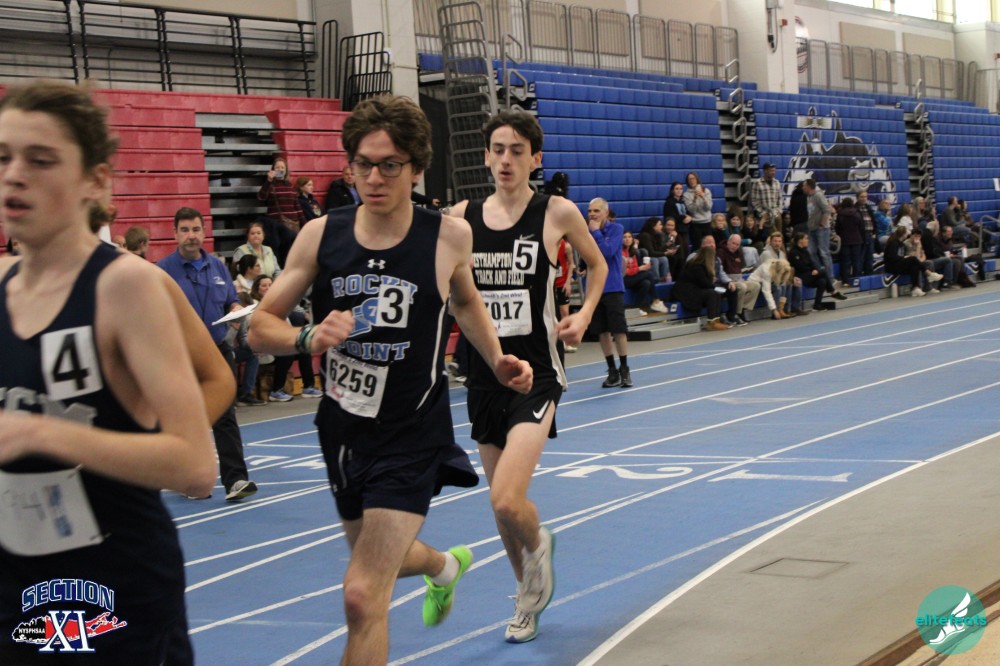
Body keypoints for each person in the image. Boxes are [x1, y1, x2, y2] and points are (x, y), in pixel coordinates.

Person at [248, 96, 533, 664]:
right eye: (362, 164)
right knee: (385, 560)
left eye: (389, 165)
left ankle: (433, 568)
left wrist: (497, 358)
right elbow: (259, 328)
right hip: (342, 430)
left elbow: (466, 301)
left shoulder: (448, 236)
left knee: (361, 595)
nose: (373, 178)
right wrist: (307, 338)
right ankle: (442, 565)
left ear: (416, 168)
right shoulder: (321, 235)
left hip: (411, 432)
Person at [0, 80, 215, 664]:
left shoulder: (125, 286)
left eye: (40, 160)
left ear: (94, 181)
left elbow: (195, 466)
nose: (14, 175)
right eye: (4, 157)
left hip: (111, 588)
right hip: (15, 581)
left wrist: (42, 432)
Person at [450, 110, 606, 643]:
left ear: (535, 159)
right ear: (485, 156)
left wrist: (582, 315)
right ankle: (525, 594)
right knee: (501, 509)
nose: (506, 160)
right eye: (498, 149)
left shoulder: (555, 212)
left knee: (506, 498)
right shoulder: (462, 218)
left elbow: (597, 265)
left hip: (537, 372)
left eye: (517, 151)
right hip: (484, 372)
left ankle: (540, 545)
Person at [158, 207, 258, 501]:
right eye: (185, 230)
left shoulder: (217, 267)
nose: (191, 236)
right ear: (175, 233)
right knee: (186, 418)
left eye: (196, 229)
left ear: (204, 232)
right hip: (181, 355)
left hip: (217, 351)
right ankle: (189, 479)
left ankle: (236, 480)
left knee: (225, 414)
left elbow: (229, 301)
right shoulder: (162, 271)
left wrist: (236, 310)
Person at [586, 198, 631, 388]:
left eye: (596, 211)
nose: (592, 214)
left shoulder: (616, 229)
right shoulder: (585, 231)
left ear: (605, 212)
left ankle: (624, 368)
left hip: (612, 286)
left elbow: (608, 251)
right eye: (590, 211)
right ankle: (612, 370)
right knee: (602, 331)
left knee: (618, 330)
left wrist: (596, 232)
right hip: (595, 289)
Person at [672, 244, 729, 331]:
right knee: (712, 293)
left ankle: (716, 320)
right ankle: (711, 322)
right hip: (686, 293)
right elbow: (705, 284)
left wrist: (720, 289)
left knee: (716, 293)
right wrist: (722, 289)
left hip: (694, 290)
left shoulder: (701, 266)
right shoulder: (696, 267)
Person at [787, 232, 847, 311]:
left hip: (809, 274)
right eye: (806, 239)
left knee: (822, 281)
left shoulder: (805, 250)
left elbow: (812, 263)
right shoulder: (793, 252)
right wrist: (812, 270)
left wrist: (815, 269)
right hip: (800, 276)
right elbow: (800, 267)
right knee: (823, 272)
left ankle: (817, 304)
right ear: (800, 240)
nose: (808, 240)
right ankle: (833, 291)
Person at [759, 231, 807, 317]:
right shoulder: (766, 253)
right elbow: (769, 272)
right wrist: (783, 279)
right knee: (781, 286)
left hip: (778, 278)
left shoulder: (781, 253)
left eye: (779, 241)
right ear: (771, 242)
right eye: (775, 241)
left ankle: (790, 309)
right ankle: (777, 311)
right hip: (766, 280)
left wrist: (791, 278)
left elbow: (786, 269)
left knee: (794, 281)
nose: (777, 243)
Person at [621, 230, 667, 314]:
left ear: (632, 239)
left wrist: (643, 267)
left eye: (629, 237)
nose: (627, 239)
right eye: (624, 237)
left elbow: (634, 268)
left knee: (646, 283)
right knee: (649, 274)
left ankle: (636, 308)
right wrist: (639, 269)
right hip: (623, 279)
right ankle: (656, 301)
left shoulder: (633, 251)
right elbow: (624, 271)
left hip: (632, 278)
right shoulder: (620, 252)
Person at [802, 178, 835, 284]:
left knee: (824, 253)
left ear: (808, 186)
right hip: (812, 228)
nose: (803, 188)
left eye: (804, 186)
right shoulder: (809, 197)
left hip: (821, 229)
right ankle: (821, 274)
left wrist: (822, 223)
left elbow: (827, 210)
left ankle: (830, 278)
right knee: (811, 252)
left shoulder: (818, 195)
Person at [834, 197, 865, 285]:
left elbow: (837, 228)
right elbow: (862, 227)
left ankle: (845, 280)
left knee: (845, 261)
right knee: (856, 261)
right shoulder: (857, 213)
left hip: (845, 240)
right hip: (857, 239)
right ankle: (856, 280)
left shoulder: (840, 214)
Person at [682, 172, 713, 250]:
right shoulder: (686, 195)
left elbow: (708, 207)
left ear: (697, 179)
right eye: (689, 179)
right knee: (697, 247)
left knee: (708, 246)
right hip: (695, 224)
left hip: (707, 222)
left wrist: (703, 197)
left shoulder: (706, 191)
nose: (691, 181)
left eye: (693, 178)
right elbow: (692, 210)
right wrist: (695, 199)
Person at [750, 163, 783, 234]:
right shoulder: (757, 183)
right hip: (765, 214)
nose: (773, 172)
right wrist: (762, 213)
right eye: (771, 171)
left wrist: (779, 211)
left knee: (779, 235)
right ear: (765, 171)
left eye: (774, 171)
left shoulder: (777, 182)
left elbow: (780, 198)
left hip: (776, 214)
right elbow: (754, 201)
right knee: (773, 234)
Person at [638, 216, 671, 282]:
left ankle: (665, 279)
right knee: (654, 260)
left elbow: (657, 249)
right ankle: (656, 280)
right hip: (644, 257)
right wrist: (665, 253)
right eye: (660, 224)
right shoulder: (645, 236)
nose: (662, 226)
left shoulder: (656, 235)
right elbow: (651, 253)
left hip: (652, 256)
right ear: (653, 226)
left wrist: (667, 245)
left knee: (663, 259)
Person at [662, 181, 691, 253]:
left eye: (681, 189)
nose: (679, 190)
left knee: (685, 249)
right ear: (672, 190)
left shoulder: (682, 201)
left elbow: (688, 212)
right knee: (679, 250)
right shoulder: (669, 202)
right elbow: (670, 216)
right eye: (677, 189)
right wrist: (683, 217)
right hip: (675, 229)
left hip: (684, 229)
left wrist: (690, 217)